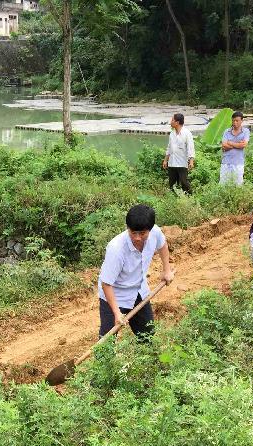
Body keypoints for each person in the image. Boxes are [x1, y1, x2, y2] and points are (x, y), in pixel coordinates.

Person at [98, 204, 174, 341]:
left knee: (148, 335)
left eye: (142, 233)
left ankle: (149, 360)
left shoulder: (155, 232)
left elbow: (162, 245)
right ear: (128, 228)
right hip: (115, 296)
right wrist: (116, 312)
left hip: (139, 290)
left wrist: (166, 270)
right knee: (106, 344)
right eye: (133, 233)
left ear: (149, 230)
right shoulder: (116, 249)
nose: (137, 238)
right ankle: (102, 362)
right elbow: (106, 284)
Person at [162, 113, 195, 194]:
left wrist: (191, 161)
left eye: (172, 120)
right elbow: (169, 148)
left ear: (177, 122)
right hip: (172, 163)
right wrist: (165, 160)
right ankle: (174, 199)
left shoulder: (187, 133)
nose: (171, 122)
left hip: (182, 163)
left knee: (184, 183)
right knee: (171, 183)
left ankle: (190, 198)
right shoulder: (172, 133)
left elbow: (190, 148)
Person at [220, 111, 251, 185]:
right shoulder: (227, 131)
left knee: (238, 185)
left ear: (241, 121)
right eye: (233, 120)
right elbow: (224, 145)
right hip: (226, 162)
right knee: (223, 185)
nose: (235, 123)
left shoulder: (246, 131)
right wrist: (237, 144)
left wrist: (230, 143)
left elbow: (243, 145)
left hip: (238, 163)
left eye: (237, 121)